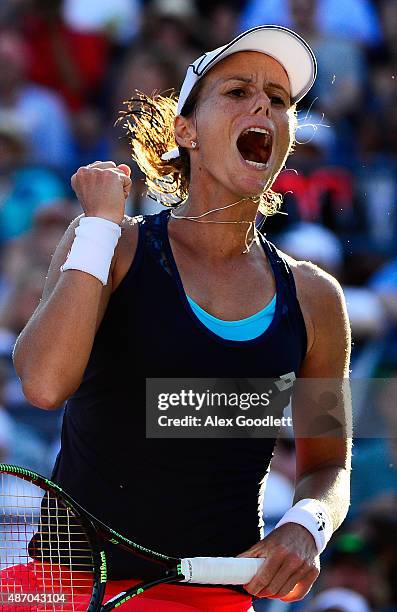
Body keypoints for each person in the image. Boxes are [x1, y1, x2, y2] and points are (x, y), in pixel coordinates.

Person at [12, 25, 352, 611]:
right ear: (185, 131)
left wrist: (308, 523)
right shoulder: (110, 245)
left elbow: (328, 464)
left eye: (278, 99)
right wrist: (96, 226)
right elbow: (43, 384)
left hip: (212, 600)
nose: (262, 105)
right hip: (66, 593)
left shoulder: (316, 297)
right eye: (238, 91)